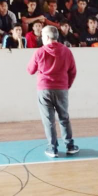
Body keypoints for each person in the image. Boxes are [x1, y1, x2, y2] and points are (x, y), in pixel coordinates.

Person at [27, 25, 79, 158]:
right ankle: (70, 145)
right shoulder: (66, 51)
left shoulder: (39, 52)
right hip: (61, 89)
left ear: (48, 37)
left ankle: (53, 148)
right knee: (64, 118)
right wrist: (67, 85)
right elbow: (73, 71)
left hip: (44, 89)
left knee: (48, 120)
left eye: (43, 36)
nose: (41, 38)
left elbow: (30, 70)